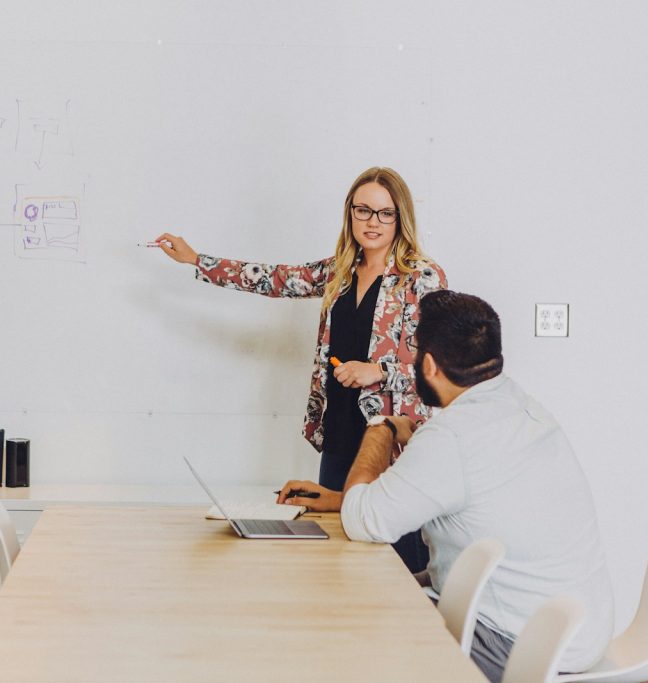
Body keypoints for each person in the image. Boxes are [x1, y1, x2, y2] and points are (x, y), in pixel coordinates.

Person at [156, 167, 446, 571]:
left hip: (388, 438)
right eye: (364, 211)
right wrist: (196, 259)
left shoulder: (421, 278)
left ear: (400, 218)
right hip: (339, 427)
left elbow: (438, 365)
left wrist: (378, 370)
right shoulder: (339, 271)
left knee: (391, 556)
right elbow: (274, 280)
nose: (373, 222)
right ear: (350, 214)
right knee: (336, 553)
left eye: (385, 213)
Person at [327, 289, 613, 682]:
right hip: (579, 628)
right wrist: (343, 498)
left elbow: (363, 521)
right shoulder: (521, 405)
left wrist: (384, 427)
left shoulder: (451, 437)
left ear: (428, 364)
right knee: (387, 596)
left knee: (350, 628)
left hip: (521, 644)